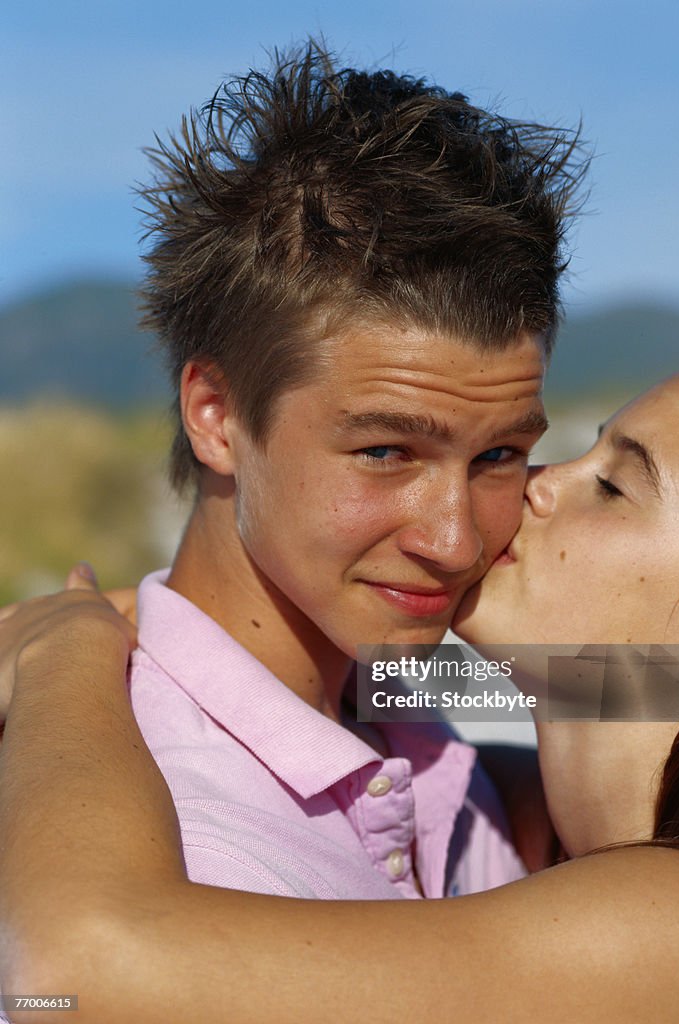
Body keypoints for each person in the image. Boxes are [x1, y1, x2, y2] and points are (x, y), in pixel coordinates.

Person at [2, 344, 679, 1022]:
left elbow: (70, 975)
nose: (534, 480)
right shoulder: (581, 821)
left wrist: (62, 654)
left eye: (612, 486)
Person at [4, 43, 585, 902]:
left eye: (498, 454)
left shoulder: (388, 687)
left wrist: (65, 651)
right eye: (385, 453)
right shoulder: (165, 849)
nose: (455, 540)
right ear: (217, 416)